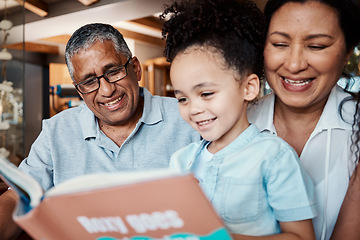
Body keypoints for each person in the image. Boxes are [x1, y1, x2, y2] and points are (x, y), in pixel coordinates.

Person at [0, 23, 199, 239]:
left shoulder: (189, 117)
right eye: (89, 82)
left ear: (135, 68)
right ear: (79, 89)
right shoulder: (55, 131)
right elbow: (16, 198)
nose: (106, 90)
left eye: (113, 72)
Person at [161, 0, 317, 239]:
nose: (193, 109)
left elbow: (301, 237)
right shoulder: (181, 162)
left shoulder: (274, 158)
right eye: (182, 99)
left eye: (206, 94)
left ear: (249, 88)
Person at [247, 0, 360, 239]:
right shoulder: (235, 121)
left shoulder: (356, 125)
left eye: (316, 46)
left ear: (347, 51)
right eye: (279, 44)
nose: (295, 64)